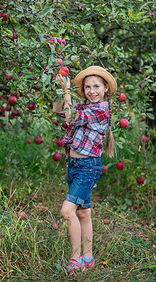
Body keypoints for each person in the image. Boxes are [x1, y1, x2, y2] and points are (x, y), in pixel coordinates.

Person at [54, 66, 117, 275]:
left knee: (67, 211)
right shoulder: (83, 106)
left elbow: (71, 117)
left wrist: (66, 93)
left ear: (106, 88)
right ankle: (88, 258)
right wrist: (60, 89)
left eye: (97, 86)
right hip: (75, 165)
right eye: (88, 87)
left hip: (88, 167)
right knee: (82, 212)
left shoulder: (101, 109)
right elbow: (58, 110)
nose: (92, 91)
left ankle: (76, 260)